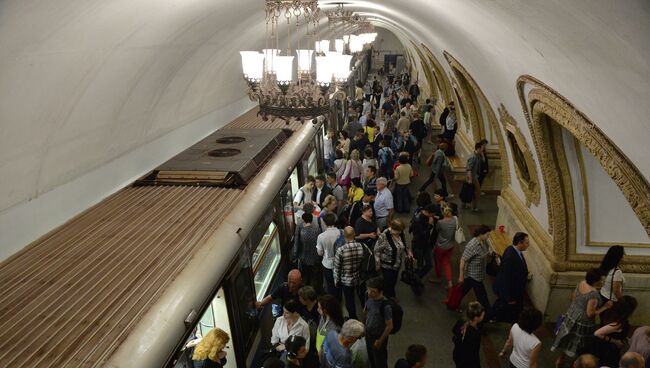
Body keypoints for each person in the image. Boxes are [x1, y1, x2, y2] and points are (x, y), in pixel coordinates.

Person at [551, 268, 614, 367]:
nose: (603, 281)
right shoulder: (593, 294)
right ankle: (578, 363)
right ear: (595, 281)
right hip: (582, 321)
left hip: (572, 313)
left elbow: (573, 297)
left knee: (567, 337)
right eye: (601, 280)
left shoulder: (582, 283)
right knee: (579, 342)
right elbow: (590, 313)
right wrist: (605, 307)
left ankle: (560, 359)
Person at [585, 296, 638, 367]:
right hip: (607, 349)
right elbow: (597, 333)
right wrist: (615, 341)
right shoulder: (618, 323)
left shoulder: (611, 313)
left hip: (602, 345)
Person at [491, 232, 530, 323]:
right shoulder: (511, 257)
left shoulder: (511, 250)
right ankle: (490, 317)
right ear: (520, 243)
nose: (528, 245)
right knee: (500, 306)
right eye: (526, 243)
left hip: (515, 291)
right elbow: (506, 279)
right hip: (510, 292)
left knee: (505, 308)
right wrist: (510, 298)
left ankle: (495, 317)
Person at [333, 226, 366, 320]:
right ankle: (366, 314)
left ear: (344, 236)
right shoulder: (361, 246)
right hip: (359, 277)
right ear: (354, 234)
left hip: (346, 279)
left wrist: (336, 280)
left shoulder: (341, 250)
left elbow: (337, 267)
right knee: (362, 297)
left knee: (349, 300)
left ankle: (353, 317)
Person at [458, 225, 491, 311]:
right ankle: (487, 313)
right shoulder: (472, 245)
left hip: (478, 273)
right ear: (480, 234)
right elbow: (463, 260)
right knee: (482, 296)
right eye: (487, 235)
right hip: (473, 275)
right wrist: (461, 276)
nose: (488, 237)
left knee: (462, 291)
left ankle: (453, 303)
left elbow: (485, 253)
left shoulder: (484, 242)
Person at [374, 220, 409, 299]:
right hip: (386, 265)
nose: (400, 232)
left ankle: (391, 295)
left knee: (393, 281)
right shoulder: (384, 236)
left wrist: (408, 253)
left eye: (401, 231)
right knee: (388, 283)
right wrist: (377, 264)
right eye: (398, 231)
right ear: (393, 228)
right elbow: (376, 250)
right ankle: (388, 298)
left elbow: (404, 243)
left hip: (397, 263)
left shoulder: (400, 233)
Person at [365, 277, 393, 368]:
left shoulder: (385, 306)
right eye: (368, 290)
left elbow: (389, 326)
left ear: (381, 292)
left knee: (380, 360)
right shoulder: (369, 297)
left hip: (377, 336)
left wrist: (380, 340)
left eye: (373, 291)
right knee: (371, 357)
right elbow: (366, 311)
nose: (369, 293)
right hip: (368, 333)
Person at [293, 213, 323, 293]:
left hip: (304, 258)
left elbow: (298, 243)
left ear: (303, 220)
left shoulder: (302, 232)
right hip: (315, 257)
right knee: (314, 277)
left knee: (305, 276)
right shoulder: (317, 229)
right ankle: (313, 293)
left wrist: (295, 255)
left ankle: (304, 293)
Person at [318, 213, 343, 301]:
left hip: (327, 263)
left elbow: (320, 253)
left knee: (330, 284)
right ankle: (339, 299)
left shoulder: (321, 236)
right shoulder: (341, 232)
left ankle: (332, 301)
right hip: (340, 261)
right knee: (339, 282)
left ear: (324, 223)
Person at [452, 301, 484, 368]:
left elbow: (454, 330)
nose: (483, 315)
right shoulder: (475, 334)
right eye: (482, 315)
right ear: (476, 318)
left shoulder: (462, 320)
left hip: (457, 354)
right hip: (467, 361)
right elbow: (474, 353)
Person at [410, 204, 435, 282]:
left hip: (425, 244)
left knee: (429, 264)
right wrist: (430, 225)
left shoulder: (425, 216)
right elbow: (422, 234)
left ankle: (418, 277)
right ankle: (416, 280)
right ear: (428, 212)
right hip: (418, 245)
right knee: (420, 265)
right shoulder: (418, 220)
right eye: (433, 214)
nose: (433, 216)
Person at [434, 206, 458, 289]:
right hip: (450, 245)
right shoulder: (454, 220)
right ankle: (450, 282)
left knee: (438, 261)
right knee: (447, 263)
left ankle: (438, 277)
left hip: (441, 245)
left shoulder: (440, 222)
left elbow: (437, 230)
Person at [465, 142, 483, 211]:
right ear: (478, 148)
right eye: (482, 149)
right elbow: (469, 169)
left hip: (474, 176)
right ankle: (474, 207)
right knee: (476, 192)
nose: (482, 150)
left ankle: (468, 205)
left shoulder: (477, 156)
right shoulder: (473, 157)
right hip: (472, 177)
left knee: (470, 191)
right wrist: (470, 179)